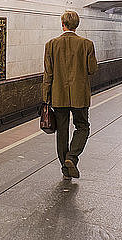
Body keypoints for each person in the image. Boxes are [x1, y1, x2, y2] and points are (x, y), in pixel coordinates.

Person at [42, 11, 98, 180]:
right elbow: (92, 69)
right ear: (76, 25)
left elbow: (48, 74)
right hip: (80, 95)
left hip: (59, 97)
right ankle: (71, 157)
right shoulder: (87, 44)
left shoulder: (51, 45)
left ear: (62, 24)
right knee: (83, 127)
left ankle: (65, 169)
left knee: (62, 132)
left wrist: (45, 98)